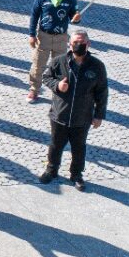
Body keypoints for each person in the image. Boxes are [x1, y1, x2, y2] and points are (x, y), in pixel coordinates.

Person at [38, 29, 108, 192]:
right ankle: (51, 170)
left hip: (82, 117)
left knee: (79, 148)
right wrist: (57, 86)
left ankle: (76, 174)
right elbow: (46, 78)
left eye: (81, 43)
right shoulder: (58, 61)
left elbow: (102, 92)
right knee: (55, 145)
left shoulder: (97, 66)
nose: (78, 45)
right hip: (59, 114)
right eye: (75, 42)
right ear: (69, 44)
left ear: (88, 44)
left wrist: (99, 115)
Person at [26, 0, 77, 103]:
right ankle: (34, 89)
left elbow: (73, 16)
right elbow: (34, 15)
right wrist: (32, 34)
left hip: (61, 37)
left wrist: (77, 18)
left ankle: (58, 91)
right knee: (38, 64)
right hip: (44, 36)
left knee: (60, 66)